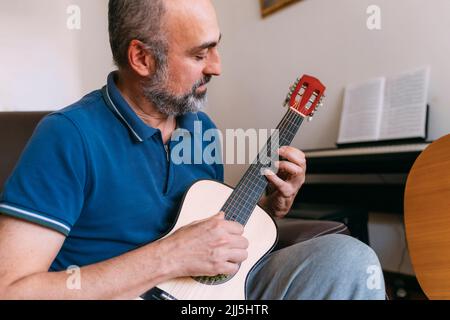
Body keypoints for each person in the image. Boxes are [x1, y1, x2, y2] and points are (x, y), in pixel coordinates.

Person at [0, 0, 385, 300]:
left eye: (216, 48)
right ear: (142, 59)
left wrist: (269, 208)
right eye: (200, 55)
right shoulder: (67, 136)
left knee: (347, 258)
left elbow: (213, 242)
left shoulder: (202, 130)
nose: (217, 67)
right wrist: (169, 256)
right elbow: (11, 289)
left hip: (210, 295)